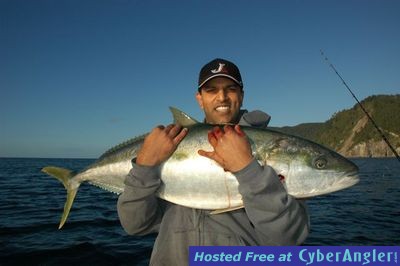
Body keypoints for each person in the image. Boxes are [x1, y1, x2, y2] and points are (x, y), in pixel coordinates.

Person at [117, 58, 309, 265]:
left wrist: (248, 170)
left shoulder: (277, 148)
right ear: (200, 99)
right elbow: (135, 225)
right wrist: (144, 166)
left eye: (231, 89)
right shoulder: (167, 147)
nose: (222, 97)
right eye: (211, 90)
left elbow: (287, 239)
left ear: (241, 96)